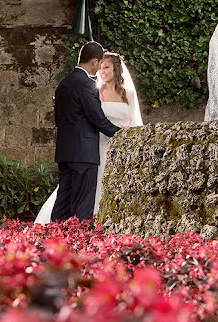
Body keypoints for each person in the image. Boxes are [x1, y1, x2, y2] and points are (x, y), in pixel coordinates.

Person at [35, 49, 143, 224]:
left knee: (72, 193)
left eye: (106, 67)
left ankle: (63, 230)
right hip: (94, 147)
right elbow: (98, 120)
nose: (102, 71)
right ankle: (80, 229)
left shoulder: (126, 94)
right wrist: (122, 136)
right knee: (83, 195)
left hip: (105, 147)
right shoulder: (92, 89)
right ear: (94, 63)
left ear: (116, 70)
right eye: (100, 67)